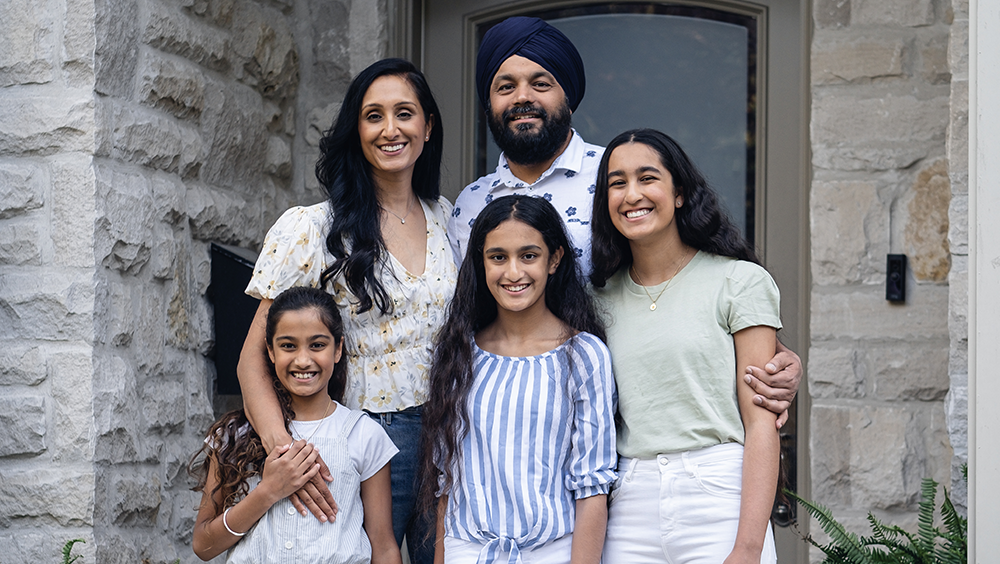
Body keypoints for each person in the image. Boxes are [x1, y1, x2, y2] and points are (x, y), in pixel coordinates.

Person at [445, 16, 801, 421]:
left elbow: (688, 282)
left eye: (540, 84)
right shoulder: (470, 205)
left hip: (627, 415)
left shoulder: (617, 180)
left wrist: (771, 353)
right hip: (511, 414)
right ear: (488, 102)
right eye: (505, 86)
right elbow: (467, 317)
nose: (522, 97)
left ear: (568, 95)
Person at [238, 59, 454, 564]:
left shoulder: (450, 218)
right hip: (362, 439)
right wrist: (283, 452)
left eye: (405, 113)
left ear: (428, 126)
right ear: (356, 130)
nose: (390, 129)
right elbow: (253, 360)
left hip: (449, 436)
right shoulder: (313, 229)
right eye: (373, 115)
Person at [591, 129, 781, 563]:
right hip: (630, 501)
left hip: (720, 495)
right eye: (617, 183)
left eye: (647, 178)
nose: (631, 194)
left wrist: (748, 546)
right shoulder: (594, 300)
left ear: (679, 193)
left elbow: (761, 424)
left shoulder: (738, 281)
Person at [420, 195, 616, 564]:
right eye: (498, 257)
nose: (513, 273)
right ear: (480, 262)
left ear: (554, 259)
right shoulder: (458, 354)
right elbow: (447, 482)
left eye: (528, 256)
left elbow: (592, 486)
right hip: (468, 550)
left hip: (553, 553)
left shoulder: (584, 355)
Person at [191, 287, 401, 564]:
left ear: (338, 349)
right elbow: (203, 546)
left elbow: (383, 547)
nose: (303, 360)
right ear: (270, 351)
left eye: (317, 345)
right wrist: (268, 492)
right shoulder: (234, 434)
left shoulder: (363, 434)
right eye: (288, 345)